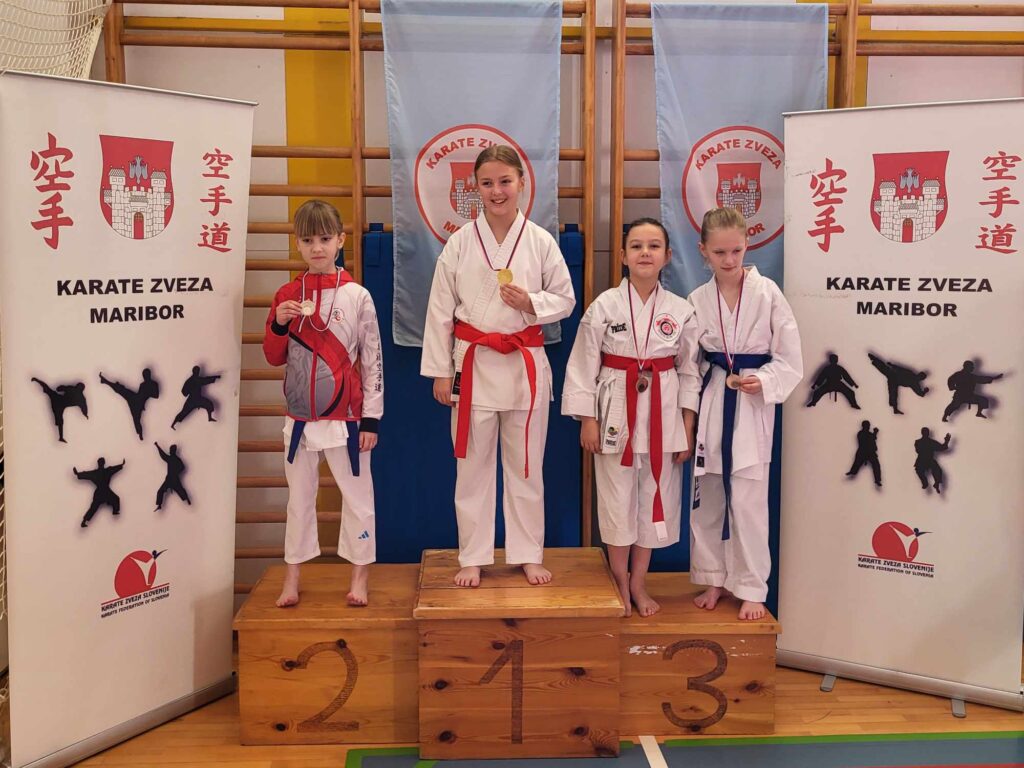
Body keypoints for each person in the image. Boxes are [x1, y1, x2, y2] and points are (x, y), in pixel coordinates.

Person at [421, 145, 575, 588]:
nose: (496, 191)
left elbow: (565, 299)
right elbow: (440, 310)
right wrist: (440, 371)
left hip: (524, 366)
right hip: (472, 366)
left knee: (526, 465)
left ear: (521, 183)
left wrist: (532, 303)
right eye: (487, 183)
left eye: (505, 181)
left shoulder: (540, 241)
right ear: (475, 187)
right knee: (471, 468)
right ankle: (472, 555)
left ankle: (528, 553)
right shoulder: (460, 243)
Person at [563, 217, 700, 617]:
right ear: (622, 256)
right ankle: (619, 581)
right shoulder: (605, 305)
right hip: (614, 411)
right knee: (616, 499)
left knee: (654, 496)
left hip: (664, 412)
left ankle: (639, 582)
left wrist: (687, 425)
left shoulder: (681, 310)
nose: (645, 253)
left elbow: (690, 371)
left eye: (654, 246)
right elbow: (583, 363)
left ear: (667, 256)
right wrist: (587, 419)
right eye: (636, 246)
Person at [263, 199, 383, 608]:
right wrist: (280, 323)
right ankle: (292, 577)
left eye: (325, 239)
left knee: (358, 498)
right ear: (297, 244)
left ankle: (360, 576)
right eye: (308, 240)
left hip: (347, 418)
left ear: (340, 241)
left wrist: (372, 419)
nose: (317, 248)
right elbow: (273, 356)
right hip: (299, 418)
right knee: (298, 500)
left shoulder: (357, 296)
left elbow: (373, 361)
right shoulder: (286, 295)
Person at [688, 207, 803, 621]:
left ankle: (752, 586)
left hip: (752, 404)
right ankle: (713, 576)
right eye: (719, 252)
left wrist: (765, 380)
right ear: (703, 250)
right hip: (714, 398)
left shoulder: (768, 293)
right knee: (707, 496)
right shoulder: (697, 300)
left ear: (747, 245)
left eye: (736, 250)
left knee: (749, 500)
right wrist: (689, 411)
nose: (729, 260)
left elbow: (790, 359)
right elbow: (689, 363)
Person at [100, 368, 160, 440]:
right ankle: (105, 381)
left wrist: (147, 394)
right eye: (144, 376)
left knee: (136, 419)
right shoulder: (143, 385)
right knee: (121, 389)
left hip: (138, 403)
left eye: (145, 375)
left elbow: (156, 395)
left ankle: (140, 432)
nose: (144, 377)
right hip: (135, 399)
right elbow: (141, 394)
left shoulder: (153, 384)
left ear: (148, 375)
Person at [31, 377, 87, 443]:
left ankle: (61, 437)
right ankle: (61, 437)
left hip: (58, 401)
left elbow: (60, 388)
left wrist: (85, 413)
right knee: (60, 421)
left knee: (48, 390)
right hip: (59, 402)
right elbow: (84, 407)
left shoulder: (73, 390)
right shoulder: (80, 397)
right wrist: (85, 414)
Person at [74, 457, 125, 528]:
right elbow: (87, 474)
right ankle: (84, 521)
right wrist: (121, 465)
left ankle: (115, 511)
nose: (101, 464)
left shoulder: (99, 472)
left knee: (115, 499)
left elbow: (87, 474)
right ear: (103, 463)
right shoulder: (105, 471)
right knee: (94, 507)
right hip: (103, 491)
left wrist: (121, 465)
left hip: (103, 491)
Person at [154, 442, 191, 511]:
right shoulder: (177, 459)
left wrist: (157, 446)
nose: (170, 451)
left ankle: (159, 505)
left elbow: (163, 455)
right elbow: (182, 467)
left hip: (170, 479)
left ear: (172, 451)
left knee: (161, 491)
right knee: (180, 490)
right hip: (173, 479)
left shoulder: (170, 458)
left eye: (170, 450)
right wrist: (177, 472)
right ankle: (187, 499)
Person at [914, 427, 951, 494]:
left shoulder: (921, 442)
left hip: (928, 459)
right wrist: (946, 441)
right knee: (919, 470)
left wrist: (946, 441)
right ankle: (925, 482)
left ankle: (936, 483)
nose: (926, 434)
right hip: (922, 460)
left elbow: (942, 447)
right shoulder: (920, 442)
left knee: (938, 471)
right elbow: (918, 450)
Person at [846, 420, 881, 487]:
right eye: (867, 426)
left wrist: (875, 433)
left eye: (868, 426)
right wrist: (875, 433)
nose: (868, 427)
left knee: (876, 465)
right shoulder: (861, 434)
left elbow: (872, 438)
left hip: (870, 452)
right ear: (864, 426)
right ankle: (853, 471)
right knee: (857, 462)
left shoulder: (868, 434)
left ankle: (877, 480)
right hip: (863, 451)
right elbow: (870, 439)